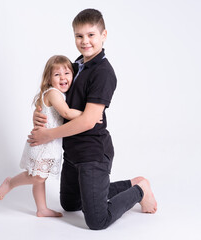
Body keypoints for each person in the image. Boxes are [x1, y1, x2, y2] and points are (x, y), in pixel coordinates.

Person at [28, 9, 157, 229]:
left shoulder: (104, 73)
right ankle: (124, 185)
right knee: (70, 204)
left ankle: (140, 189)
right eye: (79, 36)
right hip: (71, 152)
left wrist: (47, 135)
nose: (85, 41)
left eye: (91, 35)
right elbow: (53, 94)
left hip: (92, 152)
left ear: (103, 35)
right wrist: (38, 114)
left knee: (97, 220)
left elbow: (88, 121)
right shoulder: (76, 65)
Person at [0, 55, 87, 217]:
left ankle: (42, 209)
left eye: (67, 73)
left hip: (48, 142)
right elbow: (66, 112)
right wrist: (87, 114)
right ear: (49, 79)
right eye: (57, 74)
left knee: (40, 177)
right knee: (37, 177)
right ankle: (10, 183)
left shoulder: (56, 93)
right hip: (44, 144)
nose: (63, 77)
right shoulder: (54, 94)